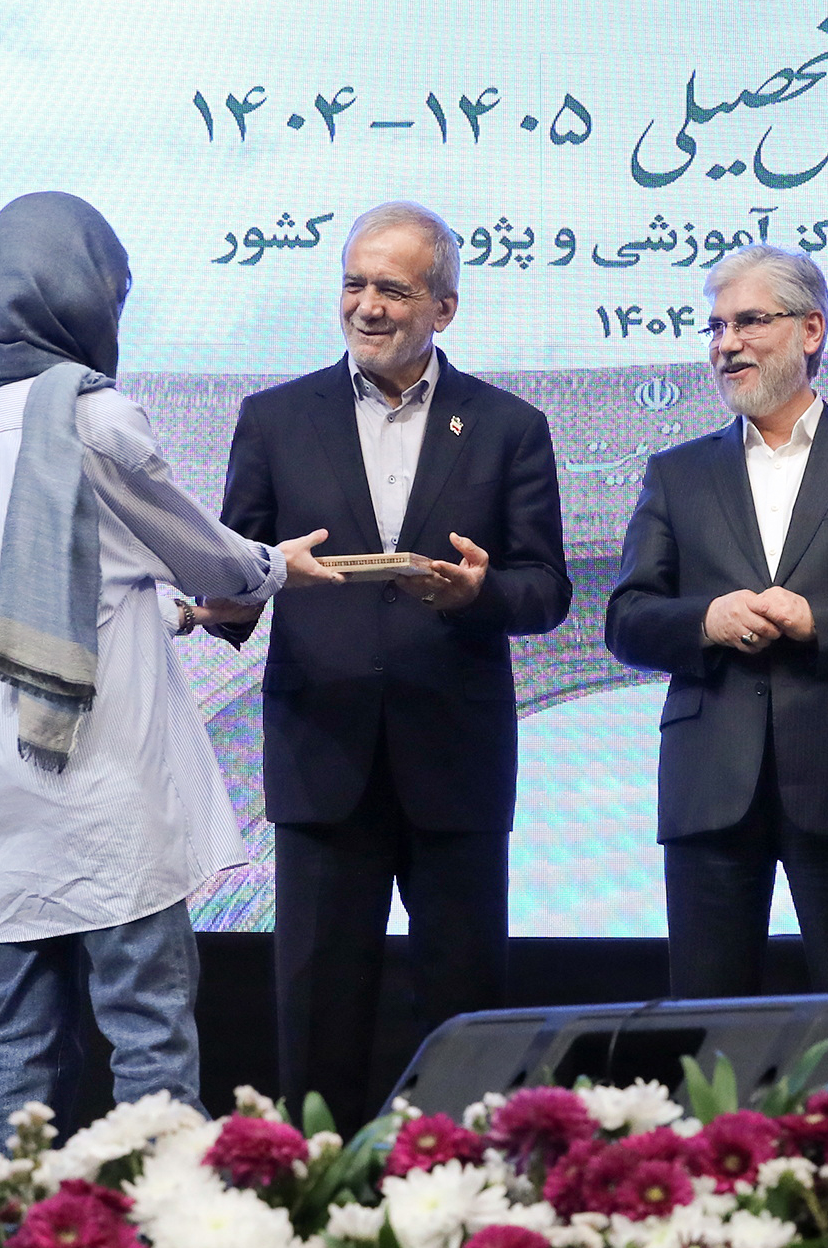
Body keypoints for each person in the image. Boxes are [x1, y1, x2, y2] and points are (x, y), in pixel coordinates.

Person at [0, 192, 337, 1145]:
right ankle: (162, 1218)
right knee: (149, 1028)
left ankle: (7, 1222)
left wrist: (175, 615)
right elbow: (211, 559)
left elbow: (46, 594)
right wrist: (275, 566)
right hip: (99, 776)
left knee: (21, 1032)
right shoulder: (93, 420)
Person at [207, 201, 570, 1131]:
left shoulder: (509, 426)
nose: (367, 306)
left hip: (456, 763)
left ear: (443, 308)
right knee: (318, 1019)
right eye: (354, 284)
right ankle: (316, 1189)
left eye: (393, 290)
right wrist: (229, 594)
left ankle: (464, 1191)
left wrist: (478, 593)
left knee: (463, 1015)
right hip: (321, 757)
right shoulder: (274, 419)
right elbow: (233, 580)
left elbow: (546, 592)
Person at [605, 244, 828, 998]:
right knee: (707, 1019)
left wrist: (818, 618)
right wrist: (706, 620)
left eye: (748, 322)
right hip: (710, 782)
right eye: (715, 328)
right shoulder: (676, 472)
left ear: (811, 330)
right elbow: (627, 618)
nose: (726, 344)